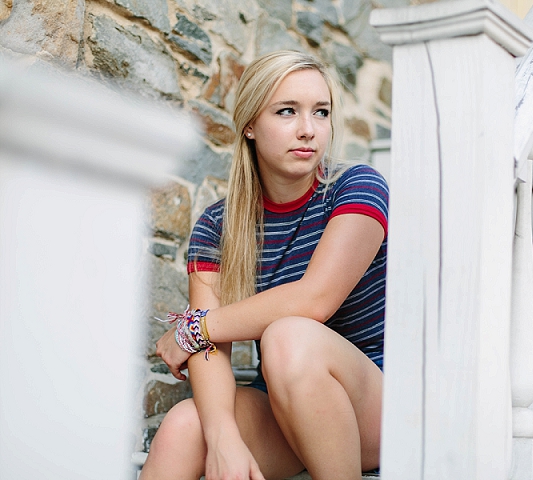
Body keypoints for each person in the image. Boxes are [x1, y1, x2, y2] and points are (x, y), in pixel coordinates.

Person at [140, 50, 388, 480]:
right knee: (185, 426)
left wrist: (193, 327)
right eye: (287, 111)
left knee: (288, 335)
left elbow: (315, 300)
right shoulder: (218, 225)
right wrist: (222, 439)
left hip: (380, 406)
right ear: (251, 125)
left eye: (321, 112)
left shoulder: (356, 187)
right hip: (284, 406)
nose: (308, 130)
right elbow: (209, 351)